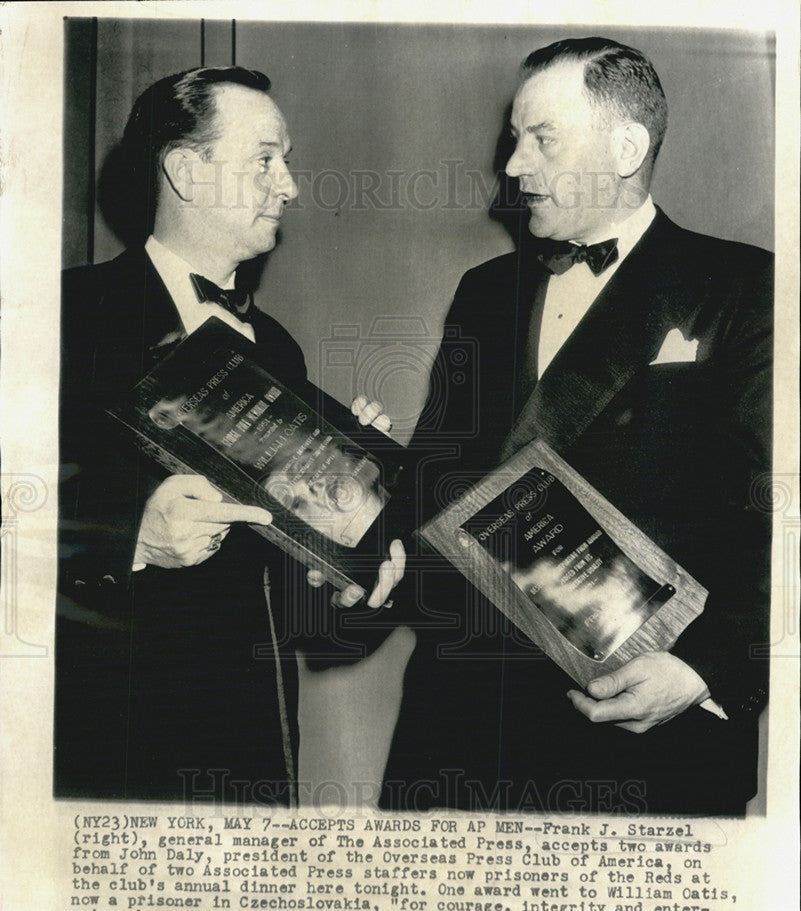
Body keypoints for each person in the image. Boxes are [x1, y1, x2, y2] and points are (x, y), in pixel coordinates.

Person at [384, 37, 772, 816]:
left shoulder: (745, 288)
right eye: (514, 139)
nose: (514, 168)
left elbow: (784, 514)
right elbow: (437, 478)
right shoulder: (485, 292)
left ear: (625, 147)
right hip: (460, 730)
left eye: (541, 139)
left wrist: (708, 670)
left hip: (639, 735)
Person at [56, 66, 404, 804]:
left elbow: (292, 599)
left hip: (254, 744)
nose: (290, 187)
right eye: (265, 161)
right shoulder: (62, 315)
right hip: (111, 745)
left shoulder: (274, 347)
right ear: (185, 171)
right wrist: (133, 538)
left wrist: (356, 550)